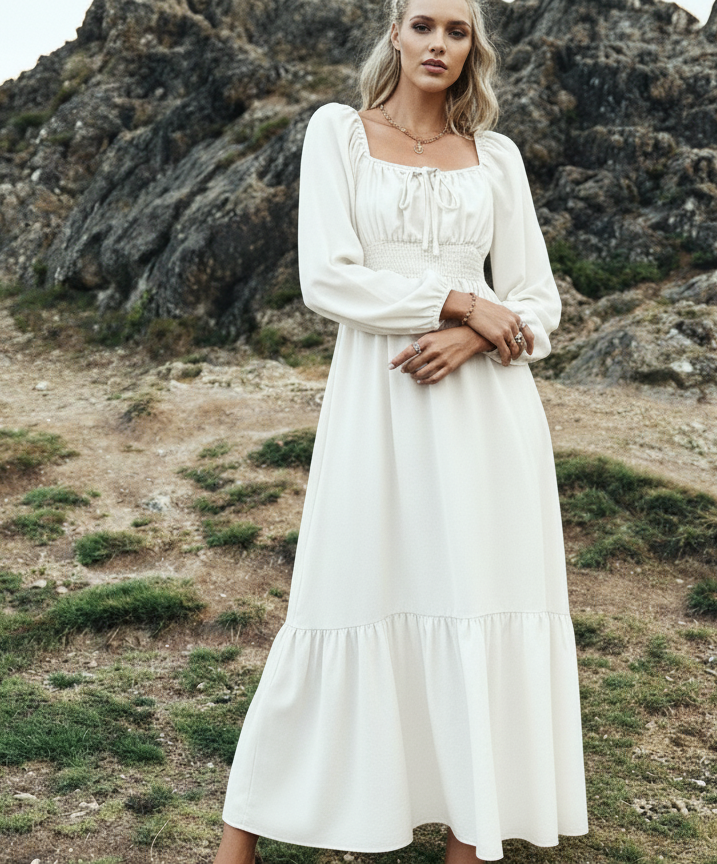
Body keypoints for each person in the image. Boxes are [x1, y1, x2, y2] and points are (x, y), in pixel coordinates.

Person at [214, 0, 588, 861]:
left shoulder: (497, 156)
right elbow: (327, 278)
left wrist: (474, 334)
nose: (439, 44)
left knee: (479, 599)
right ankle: (238, 841)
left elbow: (538, 300)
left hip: (488, 413)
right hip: (378, 402)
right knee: (342, 598)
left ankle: (469, 840)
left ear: (472, 48)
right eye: (424, 26)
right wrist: (455, 301)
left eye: (458, 32)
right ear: (395, 33)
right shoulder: (339, 134)